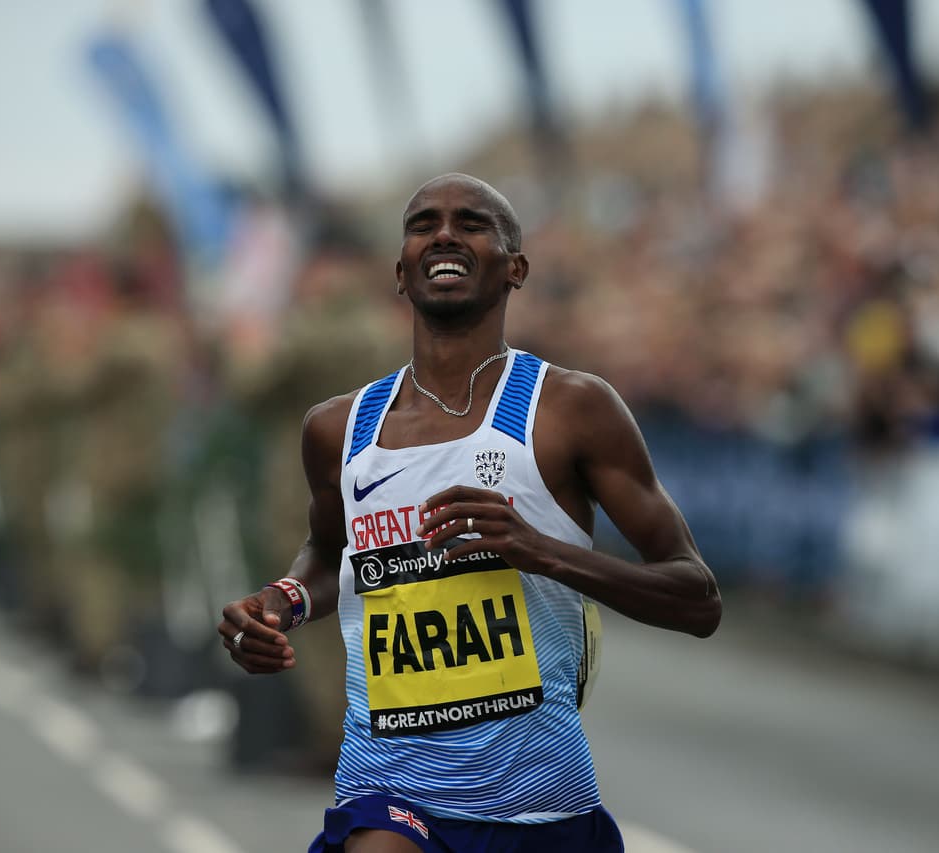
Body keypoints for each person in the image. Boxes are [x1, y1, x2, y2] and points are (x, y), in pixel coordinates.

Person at [218, 173, 721, 852]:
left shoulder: (570, 410)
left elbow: (697, 598)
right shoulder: (339, 429)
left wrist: (543, 551)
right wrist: (280, 603)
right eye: (423, 224)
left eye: (472, 223)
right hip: (390, 789)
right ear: (401, 271)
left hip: (539, 805)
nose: (445, 233)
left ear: (516, 268)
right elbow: (330, 555)